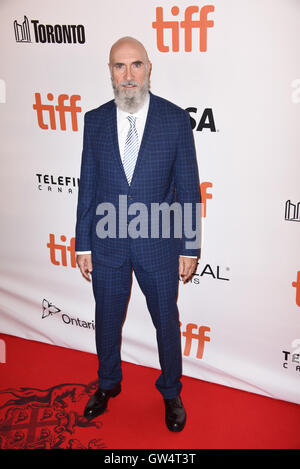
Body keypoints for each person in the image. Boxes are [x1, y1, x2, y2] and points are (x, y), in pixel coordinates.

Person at [75, 37, 201, 432]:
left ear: (149, 68)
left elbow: (189, 189)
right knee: (107, 319)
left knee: (166, 319)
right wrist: (82, 242)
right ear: (110, 72)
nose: (128, 75)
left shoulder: (175, 120)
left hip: (159, 244)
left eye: (135, 65)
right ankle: (108, 384)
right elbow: (88, 188)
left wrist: (190, 246)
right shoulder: (94, 121)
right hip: (107, 243)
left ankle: (170, 390)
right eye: (119, 66)